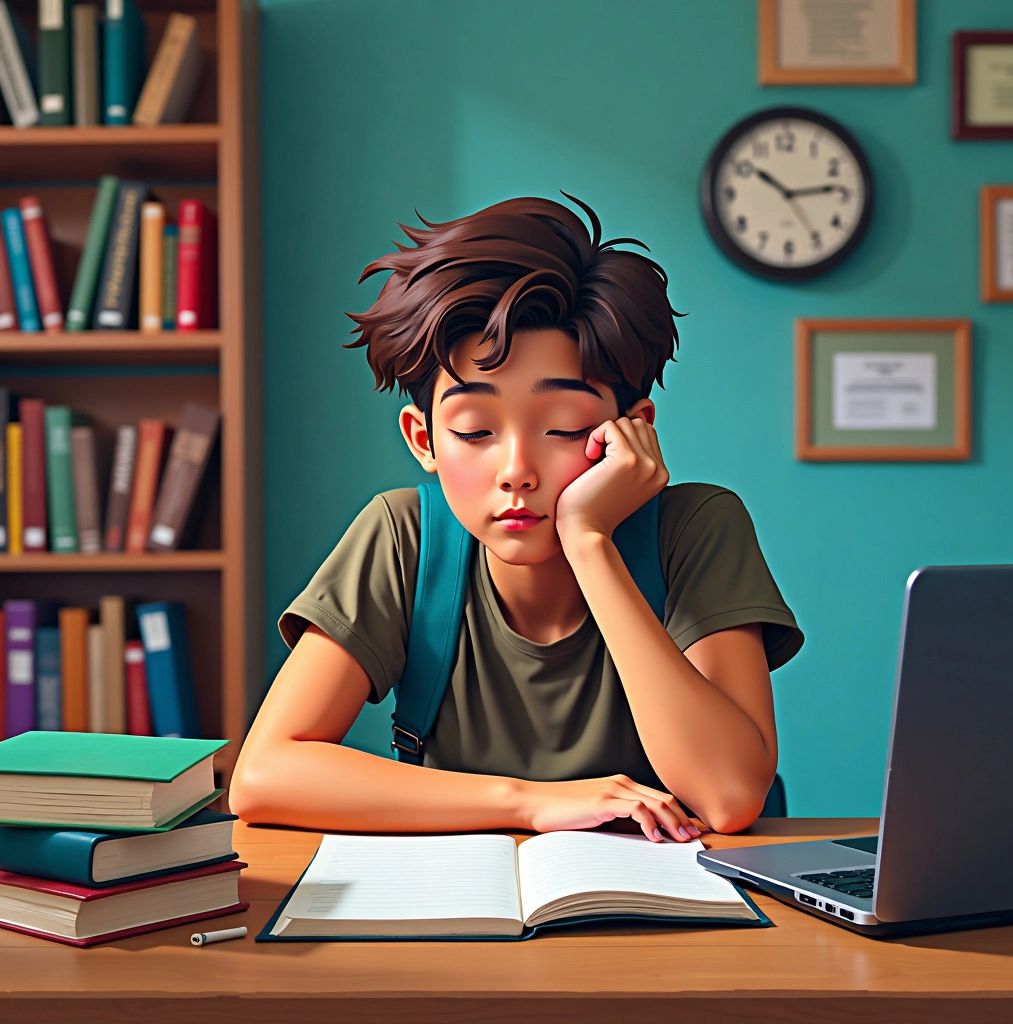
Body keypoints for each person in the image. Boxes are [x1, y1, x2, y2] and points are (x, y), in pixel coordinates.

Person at [229, 193, 803, 842]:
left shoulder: (696, 528)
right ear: (423, 440)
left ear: (632, 432)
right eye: (475, 431)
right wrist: (530, 804)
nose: (516, 469)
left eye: (562, 428)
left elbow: (728, 797)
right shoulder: (405, 538)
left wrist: (590, 542)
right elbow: (264, 776)